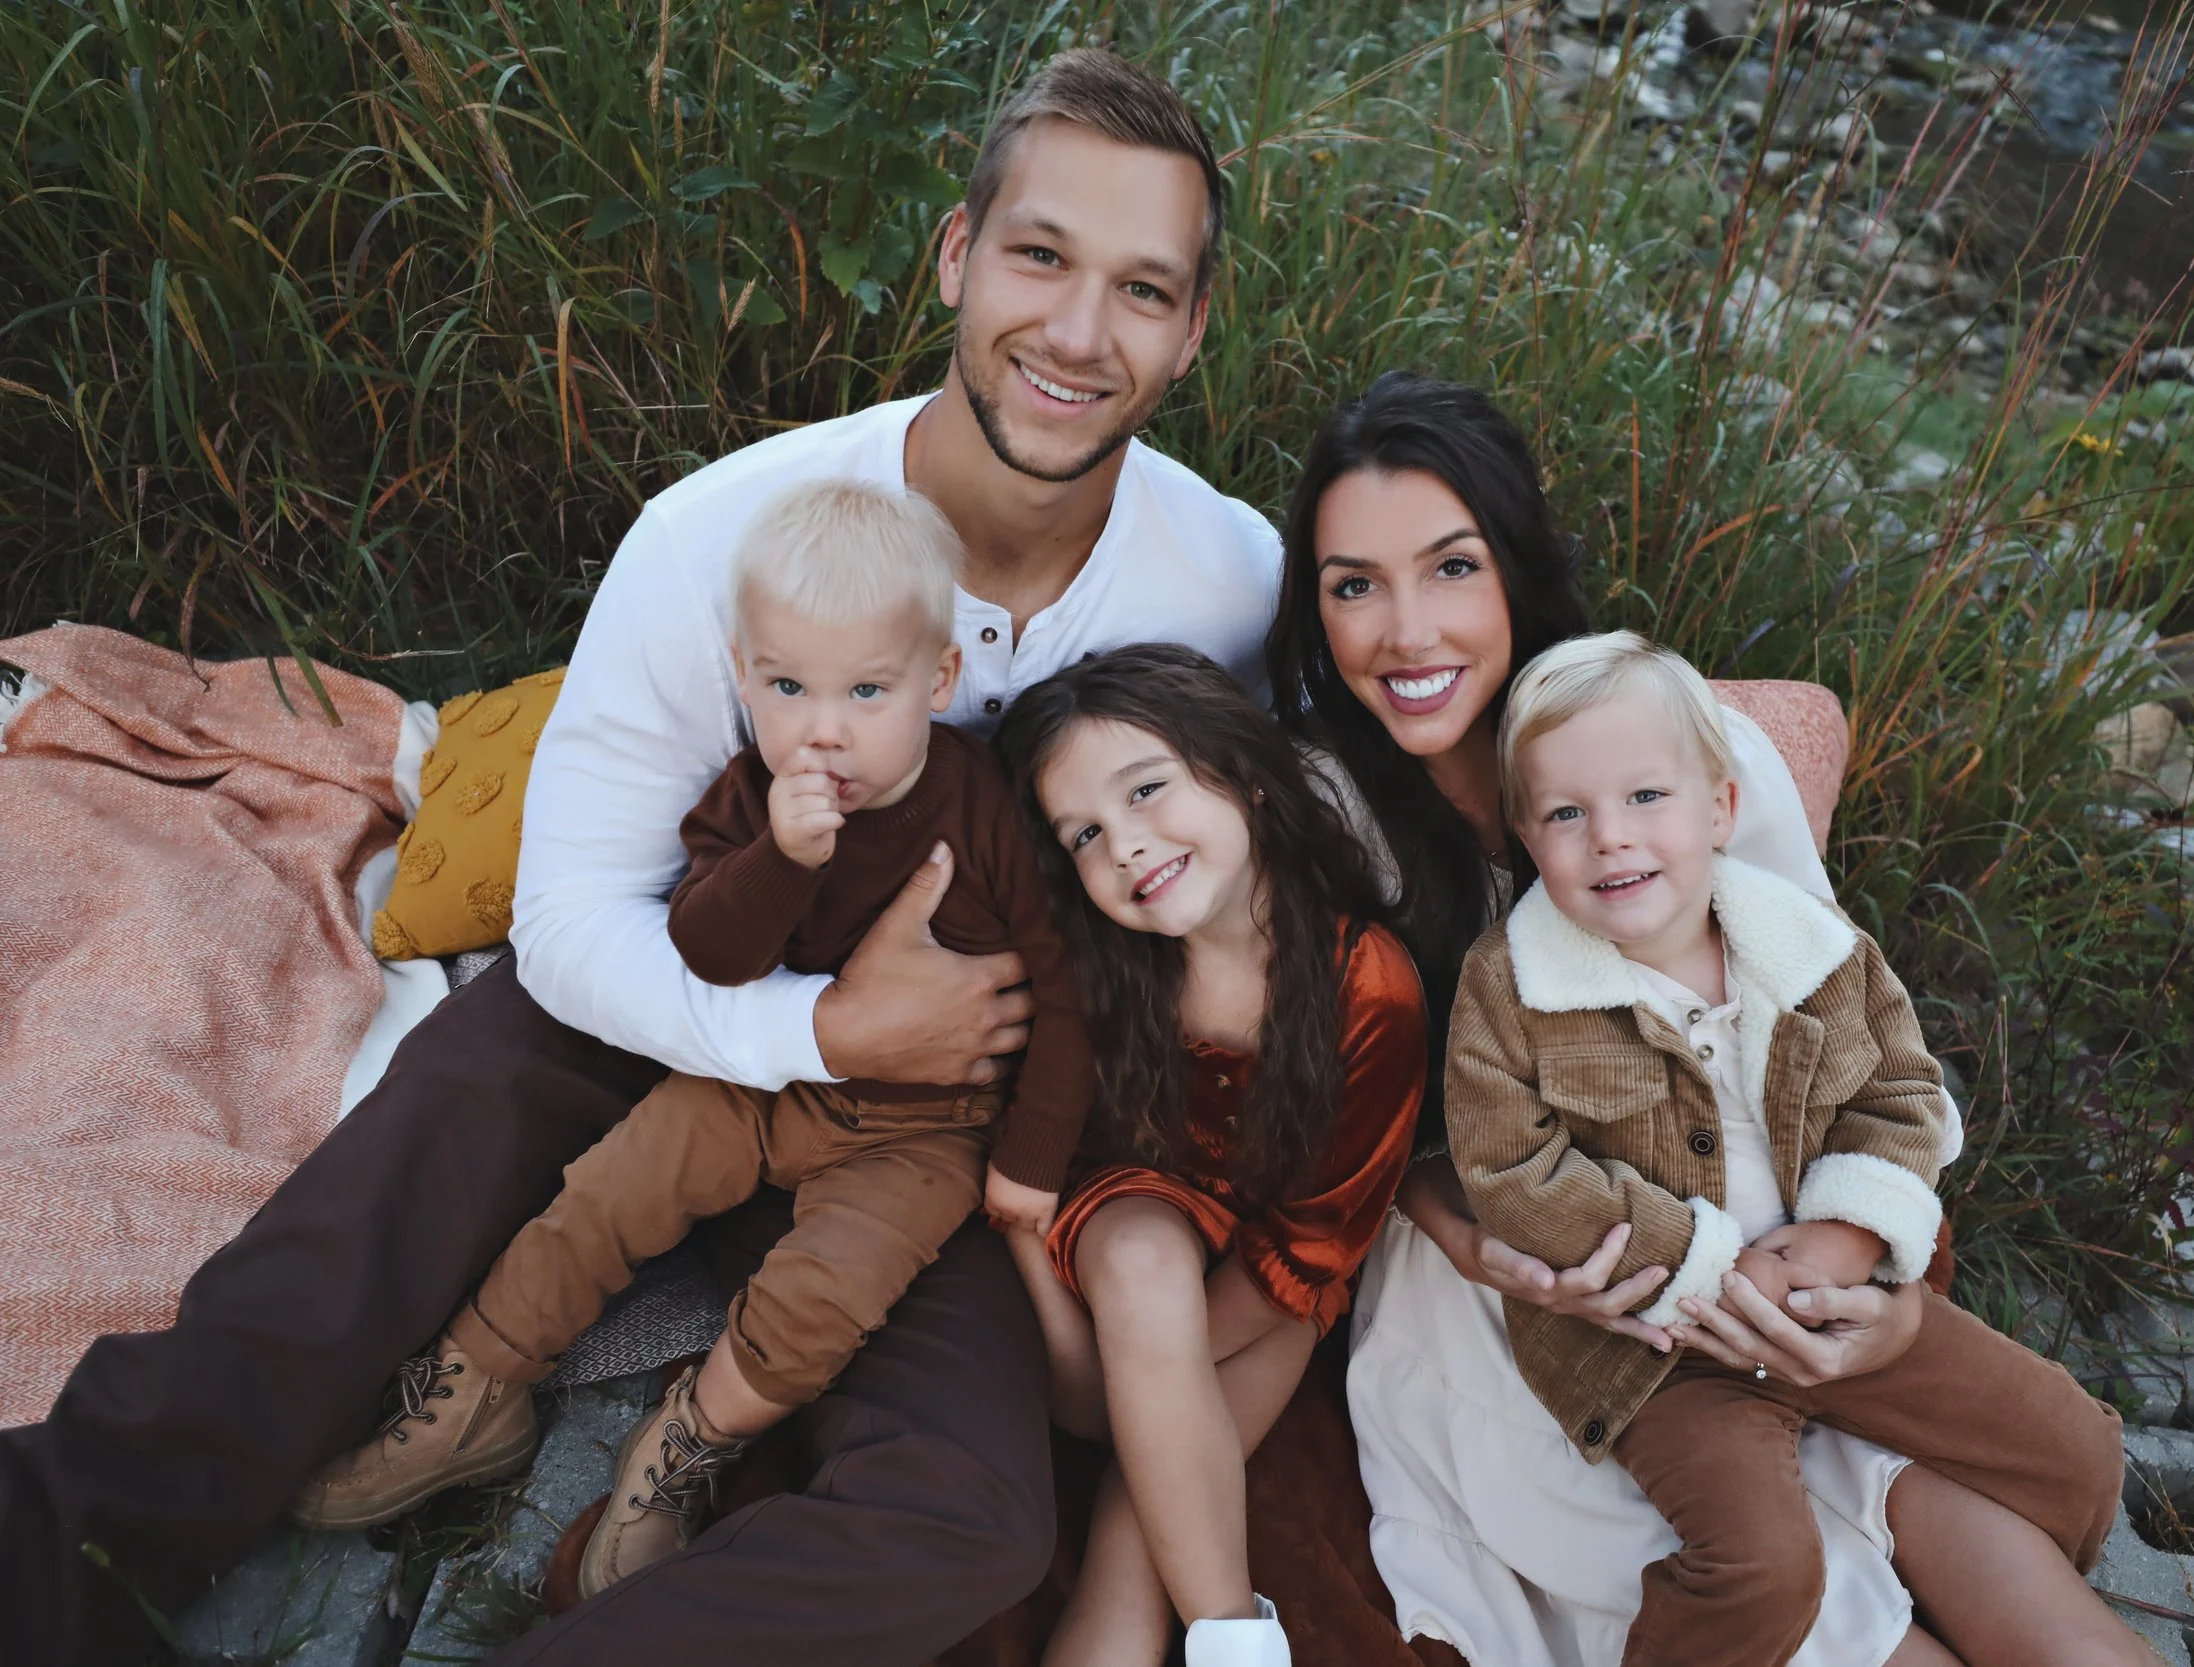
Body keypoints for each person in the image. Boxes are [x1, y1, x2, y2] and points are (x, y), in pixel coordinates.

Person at [1, 49, 1276, 1667]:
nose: (1081, 334)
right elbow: (571, 925)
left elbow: (1290, 874)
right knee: (392, 1185)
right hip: (667, 1008)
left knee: (972, 1516)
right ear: (959, 258)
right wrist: (817, 1031)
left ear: (1192, 327)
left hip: (946, 1129)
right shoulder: (719, 535)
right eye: (1042, 256)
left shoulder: (1233, 582)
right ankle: (69, 1539)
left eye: (1143, 288)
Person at [1262, 372, 2150, 1667]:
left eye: (1450, 566)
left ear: (1514, 562)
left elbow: (1846, 1036)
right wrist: (1467, 1232)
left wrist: (1862, 1270)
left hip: (1777, 1235)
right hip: (1542, 1292)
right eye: (1353, 584)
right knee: (1798, 1593)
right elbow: (1335, 1116)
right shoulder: (1321, 811)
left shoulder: (1685, 753)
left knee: (2023, 1573)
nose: (1406, 629)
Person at [289, 481, 1094, 1598]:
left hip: (921, 1127)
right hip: (753, 1078)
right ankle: (477, 1386)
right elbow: (709, 948)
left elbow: (1064, 987)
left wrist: (1031, 1158)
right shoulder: (755, 797)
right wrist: (782, 859)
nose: (825, 727)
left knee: (827, 1292)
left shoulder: (986, 809)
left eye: (868, 689)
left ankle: (679, 1444)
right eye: (788, 686)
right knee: (606, 1188)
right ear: (743, 674)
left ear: (939, 679)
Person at [1444, 631, 2124, 1666]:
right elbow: (1512, 1173)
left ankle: (1946, 1562)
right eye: (1566, 813)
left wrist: (1844, 1241)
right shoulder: (1512, 987)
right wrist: (1710, 1273)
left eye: (1645, 798)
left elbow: (1900, 1091)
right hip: (1663, 1345)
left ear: (1718, 807)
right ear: (1526, 836)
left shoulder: (1806, 945)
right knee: (1761, 1567)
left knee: (2078, 1450)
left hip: (1824, 1294)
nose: (1610, 839)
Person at [992, 646, 1425, 1667]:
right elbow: (1028, 1177)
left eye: (1147, 791)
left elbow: (1311, 1249)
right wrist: (1102, 1361)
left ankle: (1227, 1641)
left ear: (1251, 775)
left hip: (1275, 1279)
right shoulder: (1093, 973)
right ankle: (1228, 1617)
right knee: (1144, 1268)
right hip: (1112, 1235)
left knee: (1140, 1524)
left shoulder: (1370, 985)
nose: (1127, 845)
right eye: (1085, 834)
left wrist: (1162, 1380)